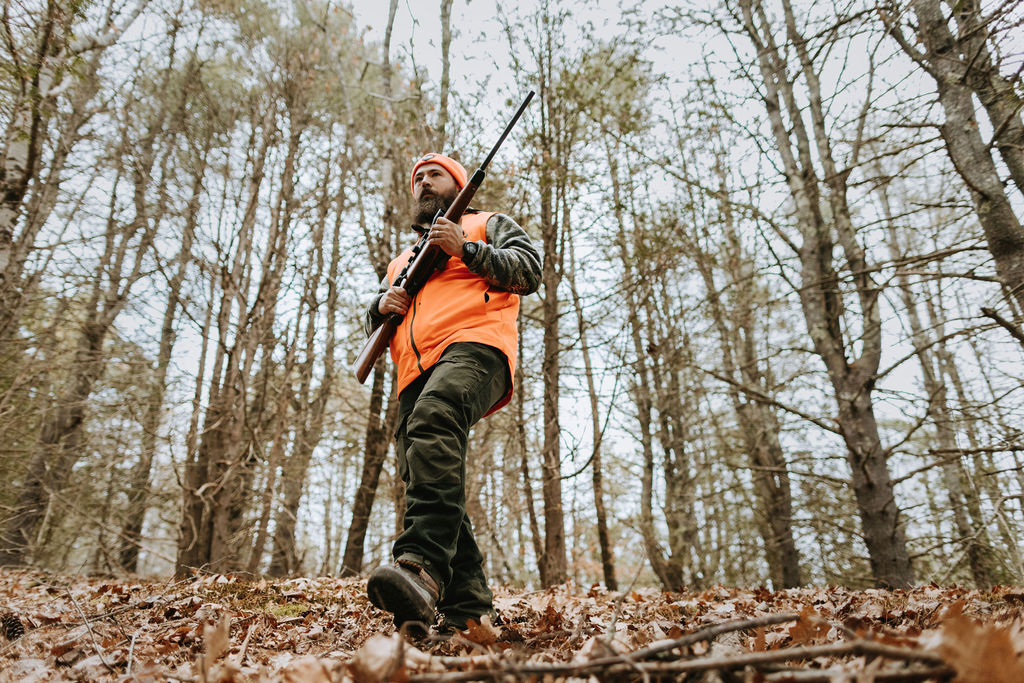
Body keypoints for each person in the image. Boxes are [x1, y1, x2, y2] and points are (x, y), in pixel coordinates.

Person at [364, 153, 541, 634]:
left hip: (476, 348)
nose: (422, 182)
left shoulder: (487, 223)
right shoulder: (401, 260)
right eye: (416, 177)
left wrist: (468, 250)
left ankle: (419, 568)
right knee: (424, 469)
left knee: (435, 418)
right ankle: (467, 610)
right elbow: (373, 318)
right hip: (412, 371)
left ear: (458, 186)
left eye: (433, 175)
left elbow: (529, 271)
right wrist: (382, 305)